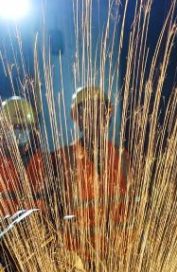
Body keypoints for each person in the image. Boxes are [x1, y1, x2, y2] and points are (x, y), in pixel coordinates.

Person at [50, 86, 132, 261]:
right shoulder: (63, 158)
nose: (93, 118)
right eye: (87, 112)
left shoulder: (122, 157)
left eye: (98, 111)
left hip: (120, 257)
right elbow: (51, 211)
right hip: (80, 260)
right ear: (77, 118)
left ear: (106, 115)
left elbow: (136, 207)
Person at [0, 96, 46, 228]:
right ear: (3, 130)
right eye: (12, 127)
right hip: (2, 239)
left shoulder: (45, 161)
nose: (17, 132)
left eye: (22, 127)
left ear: (31, 129)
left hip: (39, 238)